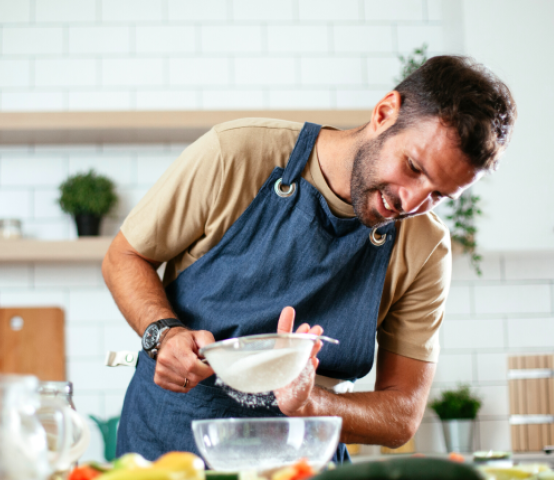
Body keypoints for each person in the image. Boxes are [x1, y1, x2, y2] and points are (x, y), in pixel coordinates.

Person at [102, 55, 516, 463]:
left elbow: (401, 416)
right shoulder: (236, 153)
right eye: (412, 167)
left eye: (439, 195)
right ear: (385, 112)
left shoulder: (425, 247)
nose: (411, 201)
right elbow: (125, 255)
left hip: (302, 464)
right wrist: (164, 333)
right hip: (169, 450)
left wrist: (308, 402)